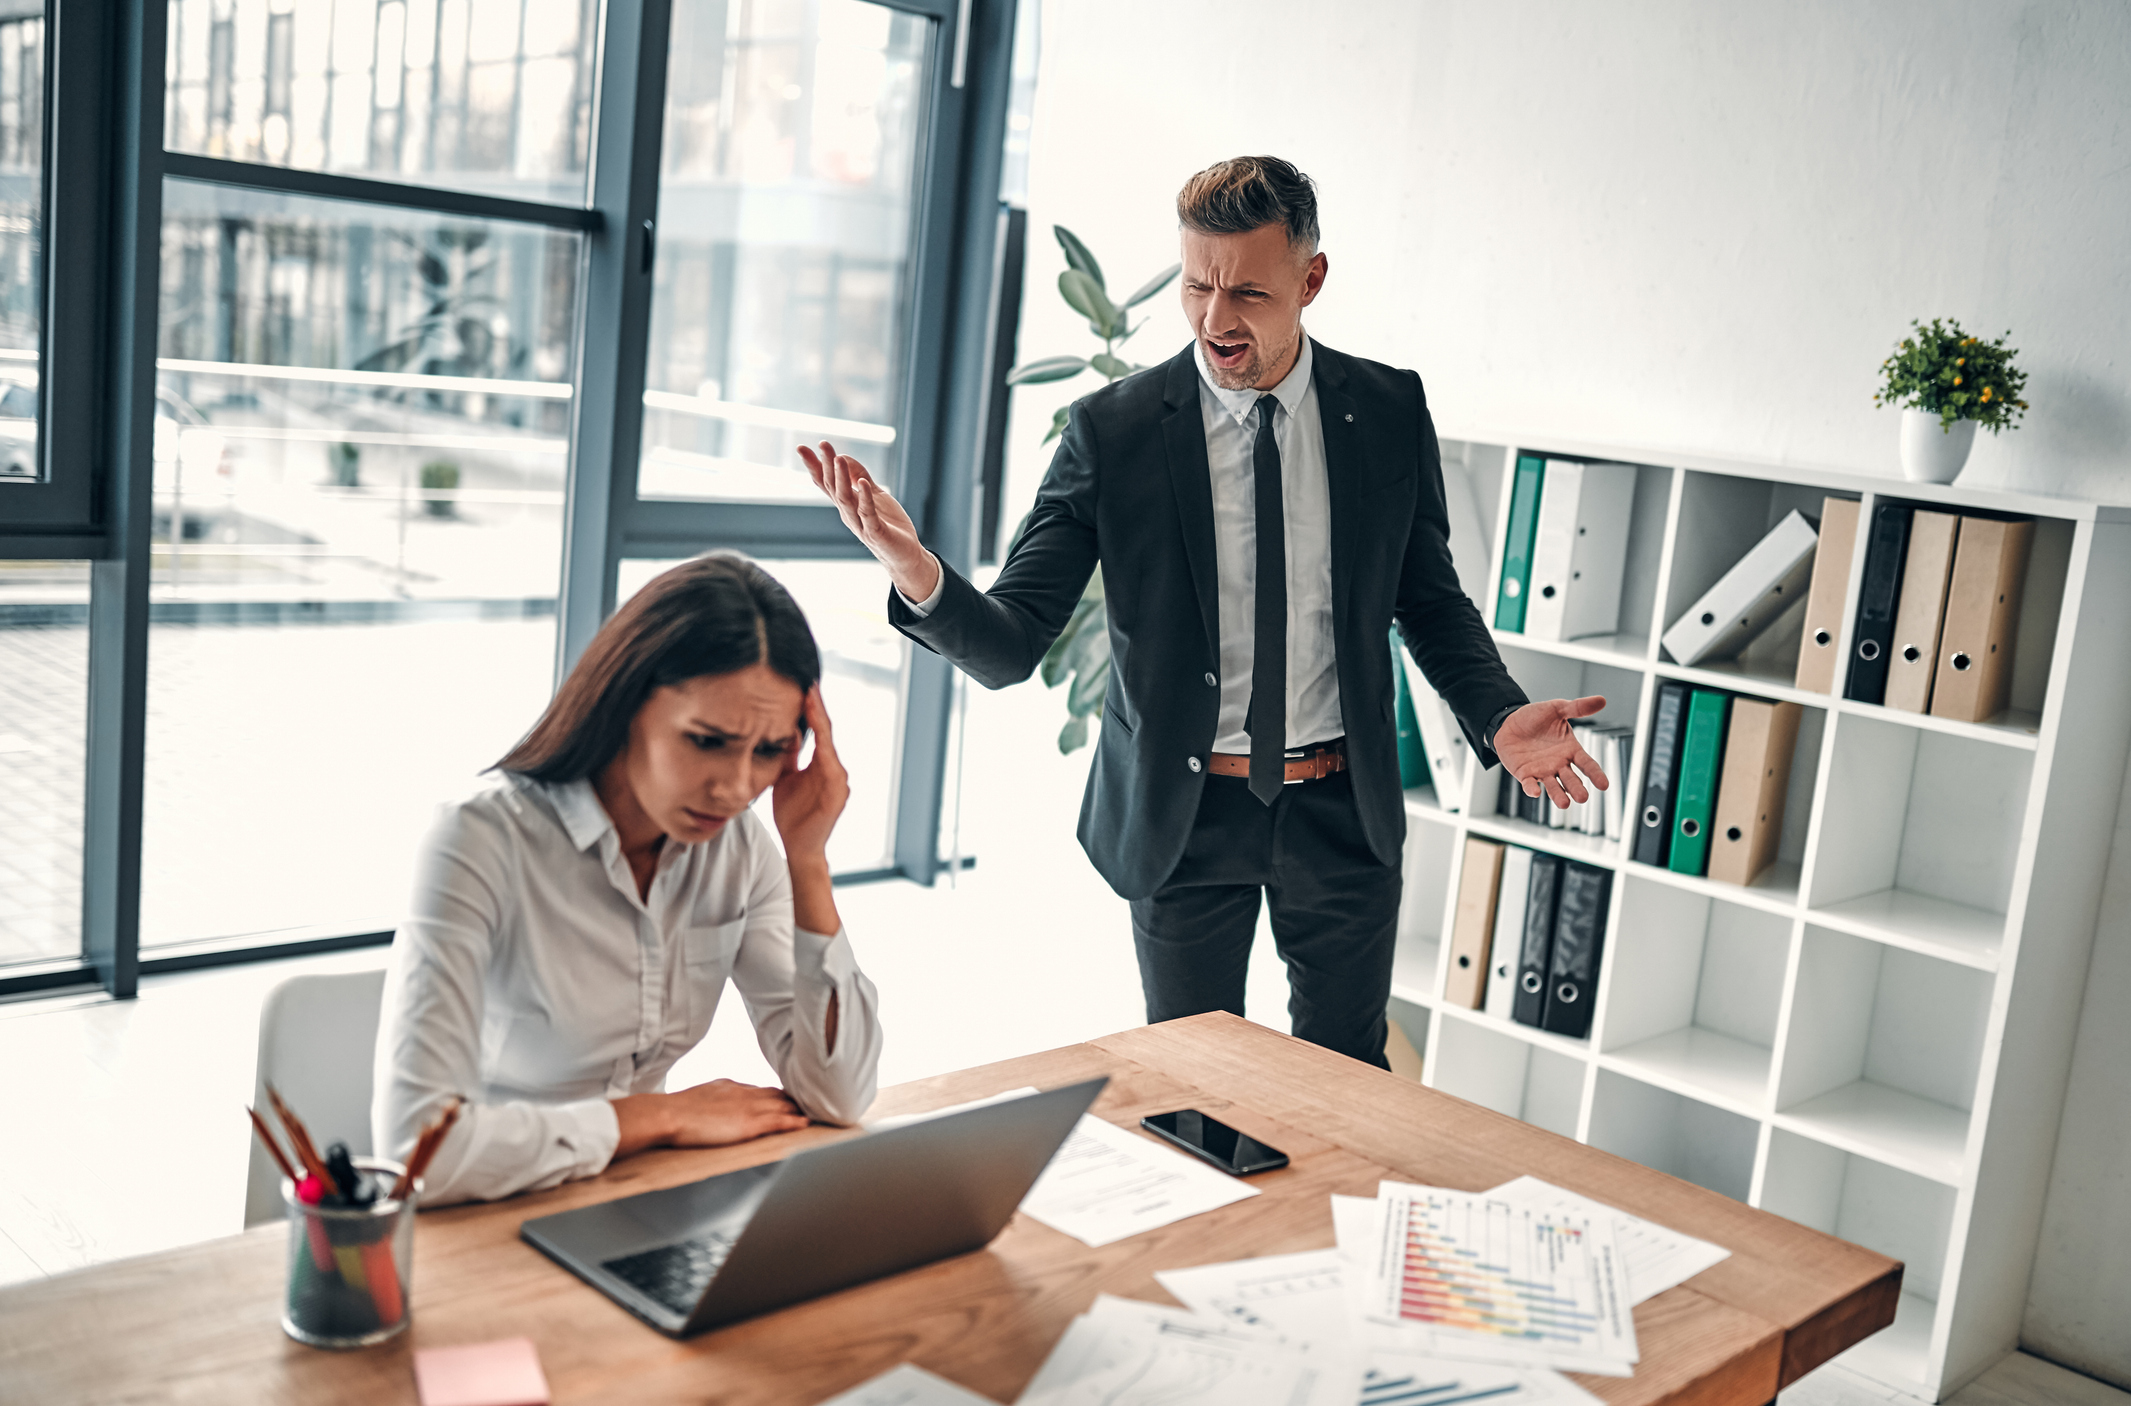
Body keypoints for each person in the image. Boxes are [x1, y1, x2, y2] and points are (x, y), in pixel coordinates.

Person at [801, 155, 1606, 1069]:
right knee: (1194, 1088)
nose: (1216, 320)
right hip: (1185, 817)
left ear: (1311, 281)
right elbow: (1012, 643)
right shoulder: (1114, 430)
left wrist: (1498, 715)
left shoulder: (1385, 409)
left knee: (1347, 1081)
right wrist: (919, 573)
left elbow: (1427, 598)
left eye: (1248, 294)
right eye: (1196, 286)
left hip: (1343, 810)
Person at [371, 554, 882, 1205]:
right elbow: (421, 1151)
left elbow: (838, 1094)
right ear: (627, 702)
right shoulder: (478, 838)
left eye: (767, 751)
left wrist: (807, 860)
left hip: (638, 1195)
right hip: (488, 1208)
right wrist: (656, 1117)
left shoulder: (741, 849)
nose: (735, 789)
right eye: (706, 740)